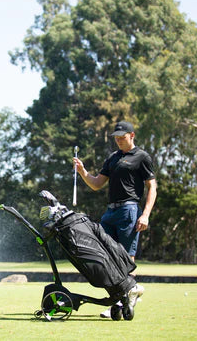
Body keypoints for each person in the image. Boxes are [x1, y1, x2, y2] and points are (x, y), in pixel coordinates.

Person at [73, 121, 157, 318]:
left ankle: (124, 300)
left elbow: (152, 187)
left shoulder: (141, 157)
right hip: (110, 212)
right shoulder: (113, 158)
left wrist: (145, 214)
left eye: (122, 137)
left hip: (129, 210)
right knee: (106, 256)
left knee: (126, 257)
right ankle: (119, 299)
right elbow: (96, 184)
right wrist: (83, 172)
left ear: (132, 135)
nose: (119, 140)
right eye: (117, 138)